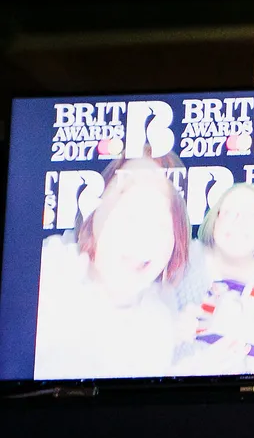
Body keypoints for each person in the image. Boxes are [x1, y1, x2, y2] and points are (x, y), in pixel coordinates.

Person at [34, 157, 188, 380]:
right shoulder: (46, 271)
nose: (140, 231)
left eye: (160, 214)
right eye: (126, 200)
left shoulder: (160, 319)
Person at [175, 181, 254, 375]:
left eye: (251, 216)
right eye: (230, 213)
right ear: (214, 220)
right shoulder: (180, 262)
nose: (238, 222)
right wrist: (172, 330)